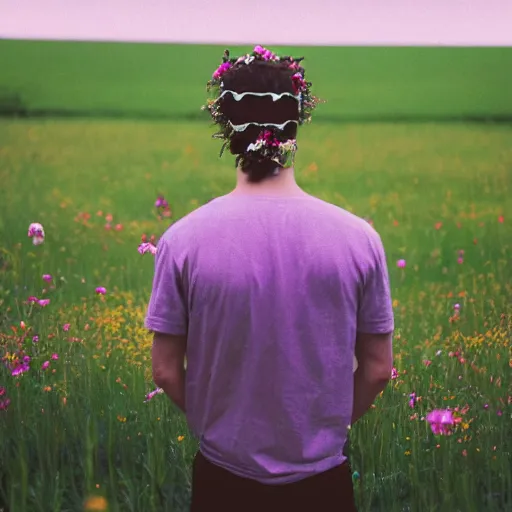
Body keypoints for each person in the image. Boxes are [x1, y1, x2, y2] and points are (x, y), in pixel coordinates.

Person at [145, 45, 394, 512]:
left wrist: (217, 424)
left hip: (223, 478)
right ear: (297, 124)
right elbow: (378, 368)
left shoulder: (182, 240)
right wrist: (326, 429)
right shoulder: (360, 239)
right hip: (324, 481)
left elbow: (164, 369)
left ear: (225, 126)